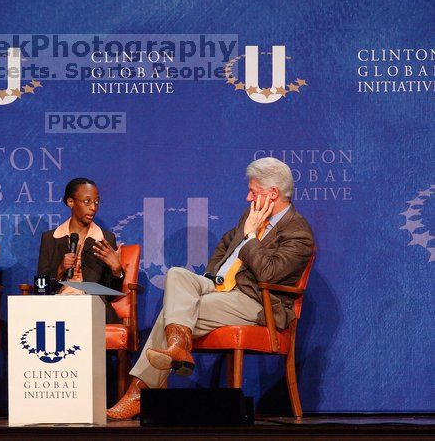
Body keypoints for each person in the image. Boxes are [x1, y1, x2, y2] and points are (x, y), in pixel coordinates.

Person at [107, 157, 315, 420]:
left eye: (253, 191)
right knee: (177, 275)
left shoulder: (297, 232)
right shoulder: (250, 216)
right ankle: (177, 347)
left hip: (255, 301)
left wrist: (251, 237)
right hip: (221, 288)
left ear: (272, 193)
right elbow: (227, 244)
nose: (248, 197)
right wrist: (212, 277)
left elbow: (269, 273)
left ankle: (140, 389)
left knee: (174, 311)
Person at [38, 177, 124, 324]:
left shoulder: (105, 239)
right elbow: (41, 289)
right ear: (70, 202)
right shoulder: (50, 238)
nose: (93, 208)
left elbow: (109, 296)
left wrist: (117, 270)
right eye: (87, 201)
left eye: (96, 202)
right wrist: (60, 269)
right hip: (58, 305)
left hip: (92, 308)